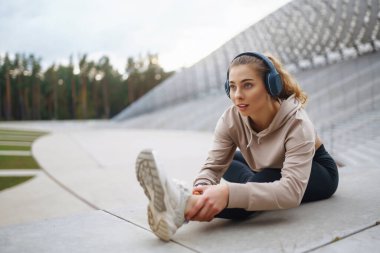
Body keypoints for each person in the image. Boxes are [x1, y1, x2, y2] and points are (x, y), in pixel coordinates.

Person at [135, 52, 339, 241]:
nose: (237, 95)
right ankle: (186, 200)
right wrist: (202, 186)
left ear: (271, 86)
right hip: (262, 168)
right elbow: (213, 166)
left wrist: (228, 194)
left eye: (247, 85)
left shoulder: (297, 123)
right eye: (232, 86)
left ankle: (182, 204)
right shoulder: (230, 119)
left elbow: (290, 192)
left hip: (316, 170)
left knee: (257, 184)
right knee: (233, 165)